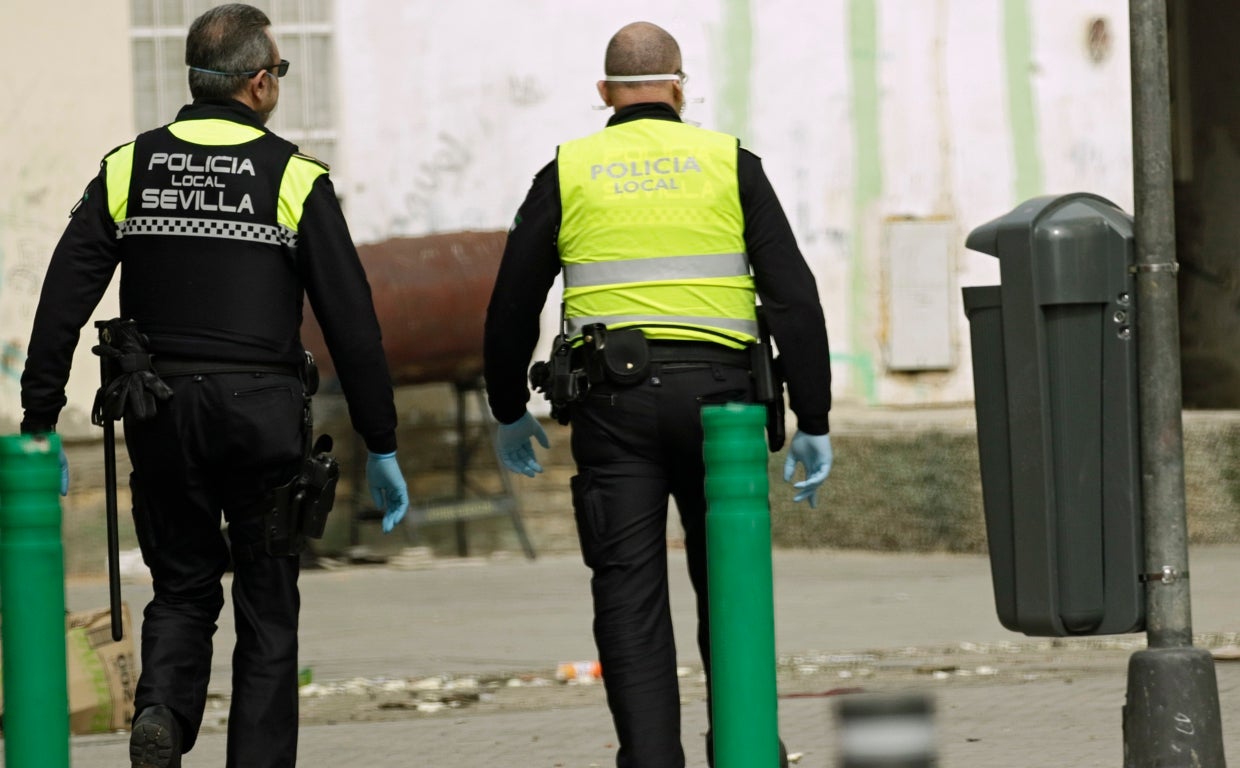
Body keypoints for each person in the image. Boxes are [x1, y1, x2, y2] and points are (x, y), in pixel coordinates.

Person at [18, 5, 409, 767]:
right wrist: (383, 441)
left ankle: (161, 711)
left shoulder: (130, 166)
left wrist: (40, 416)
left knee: (182, 584)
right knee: (267, 601)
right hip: (262, 419)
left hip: (160, 413)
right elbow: (353, 324)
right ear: (259, 84)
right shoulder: (293, 175)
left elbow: (64, 294)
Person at [483, 20, 833, 768]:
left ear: (604, 93)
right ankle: (745, 749)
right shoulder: (729, 162)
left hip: (615, 410)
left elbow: (511, 300)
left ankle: (650, 758)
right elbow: (794, 297)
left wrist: (509, 406)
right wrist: (817, 416)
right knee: (731, 586)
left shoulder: (569, 170)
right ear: (679, 86)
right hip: (725, 408)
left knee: (628, 597)